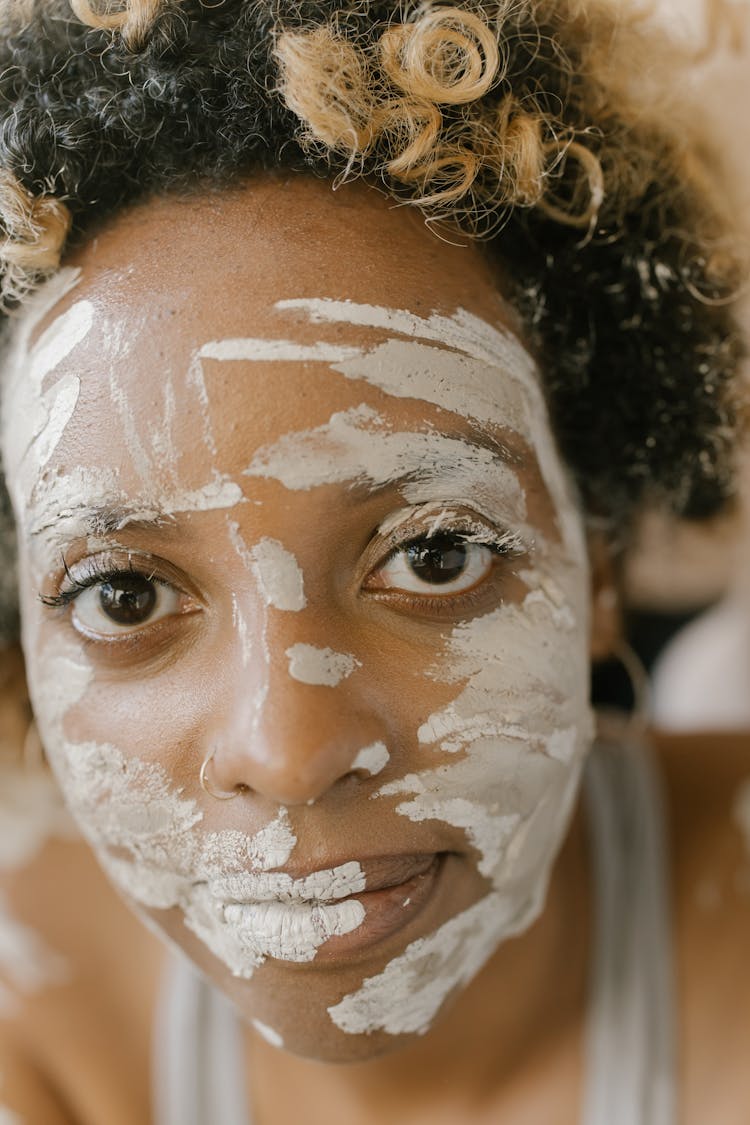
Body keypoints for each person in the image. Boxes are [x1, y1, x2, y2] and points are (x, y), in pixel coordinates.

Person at [0, 1, 748, 1122]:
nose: (289, 752)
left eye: (436, 556)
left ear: (595, 564)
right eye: (126, 593)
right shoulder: (32, 1021)